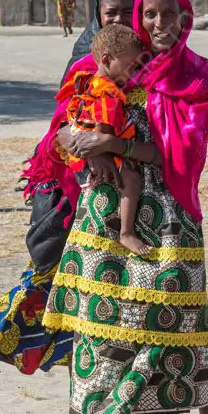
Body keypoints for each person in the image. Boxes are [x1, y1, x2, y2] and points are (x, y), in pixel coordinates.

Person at [41, 0, 208, 414]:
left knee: (189, 329)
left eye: (170, 13)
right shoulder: (103, 68)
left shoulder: (202, 76)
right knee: (112, 326)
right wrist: (85, 140)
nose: (159, 24)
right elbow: (60, 134)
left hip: (174, 215)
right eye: (150, 14)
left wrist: (110, 142)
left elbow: (175, 153)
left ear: (186, 17)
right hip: (105, 214)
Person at [60, 23, 149, 256]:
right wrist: (105, 150)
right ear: (108, 59)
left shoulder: (88, 80)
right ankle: (126, 233)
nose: (134, 72)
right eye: (131, 66)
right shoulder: (109, 93)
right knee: (132, 179)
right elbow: (104, 134)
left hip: (79, 143)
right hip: (91, 149)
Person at [62, 0, 138, 84]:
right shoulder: (84, 51)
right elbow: (69, 96)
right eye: (111, 13)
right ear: (99, 16)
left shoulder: (146, 49)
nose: (119, 19)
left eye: (128, 12)